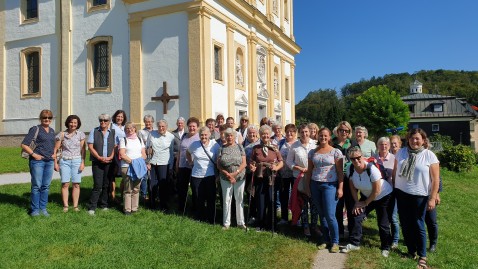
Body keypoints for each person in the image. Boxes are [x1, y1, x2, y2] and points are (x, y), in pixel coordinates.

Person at [393, 128, 440, 269]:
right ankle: (411, 251)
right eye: (412, 138)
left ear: (423, 141)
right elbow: (395, 172)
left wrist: (432, 198)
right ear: (408, 140)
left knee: (418, 225)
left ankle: (422, 256)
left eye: (417, 138)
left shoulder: (429, 156)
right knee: (405, 223)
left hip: (420, 195)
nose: (414, 141)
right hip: (402, 193)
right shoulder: (401, 152)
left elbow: (436, 179)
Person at [342, 147, 394, 257]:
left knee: (383, 223)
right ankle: (355, 243)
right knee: (357, 215)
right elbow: (352, 187)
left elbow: (377, 190)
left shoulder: (372, 169)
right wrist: (357, 202)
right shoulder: (350, 169)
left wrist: (365, 203)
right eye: (353, 159)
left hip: (384, 196)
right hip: (367, 196)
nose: (356, 161)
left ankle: (386, 247)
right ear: (350, 159)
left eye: (358, 158)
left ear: (362, 156)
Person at [305, 127, 344, 253]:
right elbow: (309, 171)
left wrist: (340, 188)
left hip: (330, 185)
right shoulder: (312, 152)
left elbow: (340, 172)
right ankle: (325, 239)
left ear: (329, 137)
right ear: (317, 136)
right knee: (322, 214)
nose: (323, 137)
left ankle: (335, 241)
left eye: (325, 135)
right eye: (321, 135)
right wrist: (307, 186)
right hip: (315, 185)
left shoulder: (336, 152)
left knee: (330, 215)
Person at [21, 109, 56, 217]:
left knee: (46, 186)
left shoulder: (52, 131)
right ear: (40, 118)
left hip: (49, 161)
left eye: (49, 118)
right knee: (36, 186)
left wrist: (54, 155)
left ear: (51, 119)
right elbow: (24, 144)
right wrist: (34, 154)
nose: (47, 119)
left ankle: (43, 208)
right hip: (37, 162)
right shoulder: (35, 129)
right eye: (44, 117)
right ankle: (35, 210)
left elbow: (52, 145)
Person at [249, 125, 284, 231]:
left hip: (272, 177)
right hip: (260, 177)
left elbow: (281, 162)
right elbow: (251, 161)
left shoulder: (275, 148)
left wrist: (276, 167)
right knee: (261, 201)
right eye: (263, 134)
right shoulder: (256, 148)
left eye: (267, 134)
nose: (265, 135)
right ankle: (261, 223)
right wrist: (252, 166)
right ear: (260, 135)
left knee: (271, 200)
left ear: (270, 135)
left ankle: (272, 224)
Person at [286, 124, 318, 236]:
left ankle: (314, 226)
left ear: (309, 132)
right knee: (303, 203)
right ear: (299, 133)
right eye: (302, 132)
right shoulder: (295, 146)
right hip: (300, 177)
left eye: (306, 131)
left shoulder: (315, 144)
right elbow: (289, 162)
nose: (304, 134)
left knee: (314, 203)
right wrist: (298, 167)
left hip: (314, 177)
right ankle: (305, 226)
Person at [186, 127, 220, 223]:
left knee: (210, 197)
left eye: (205, 135)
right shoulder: (195, 144)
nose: (203, 137)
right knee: (198, 197)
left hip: (210, 175)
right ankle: (200, 216)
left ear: (209, 135)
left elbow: (218, 158)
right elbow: (188, 152)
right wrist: (190, 162)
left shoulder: (215, 145)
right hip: (196, 175)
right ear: (199, 135)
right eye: (202, 135)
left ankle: (211, 218)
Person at [53, 115, 86, 213]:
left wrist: (83, 163)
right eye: (71, 122)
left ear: (78, 124)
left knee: (76, 184)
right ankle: (66, 206)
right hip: (64, 161)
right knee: (65, 184)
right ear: (68, 123)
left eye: (75, 123)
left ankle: (75, 206)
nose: (73, 124)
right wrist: (55, 163)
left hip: (77, 161)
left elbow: (83, 150)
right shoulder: (61, 134)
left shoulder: (81, 134)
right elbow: (55, 150)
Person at [217, 128, 247, 229]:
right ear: (225, 137)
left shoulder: (240, 147)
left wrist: (234, 174)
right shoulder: (221, 148)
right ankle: (226, 223)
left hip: (239, 177)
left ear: (235, 136)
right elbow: (218, 165)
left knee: (239, 199)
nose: (229, 137)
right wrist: (227, 174)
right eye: (227, 135)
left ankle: (240, 222)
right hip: (225, 178)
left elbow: (244, 163)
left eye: (231, 135)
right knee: (226, 200)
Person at [87, 114, 115, 215]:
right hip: (97, 162)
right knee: (97, 185)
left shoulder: (112, 132)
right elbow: (90, 146)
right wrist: (98, 157)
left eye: (105, 120)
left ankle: (104, 204)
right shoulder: (94, 131)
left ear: (109, 122)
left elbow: (115, 147)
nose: (103, 122)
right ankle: (92, 207)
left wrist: (111, 156)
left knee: (106, 184)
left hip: (109, 162)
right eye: (101, 120)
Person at [374, 136, 399, 248]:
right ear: (378, 146)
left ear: (389, 146)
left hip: (392, 192)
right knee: (383, 217)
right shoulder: (373, 158)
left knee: (393, 217)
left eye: (386, 145)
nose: (383, 146)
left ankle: (395, 239)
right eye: (381, 144)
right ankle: (386, 238)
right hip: (378, 193)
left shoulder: (394, 158)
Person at [119, 122, 147, 215]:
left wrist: (138, 162)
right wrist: (133, 162)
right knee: (128, 189)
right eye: (127, 128)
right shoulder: (123, 140)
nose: (129, 130)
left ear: (135, 129)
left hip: (138, 167)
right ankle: (127, 209)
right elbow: (122, 154)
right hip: (127, 166)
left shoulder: (139, 139)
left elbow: (143, 154)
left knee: (136, 188)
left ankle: (134, 208)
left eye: (131, 128)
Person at [332, 121, 354, 239]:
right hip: (336, 178)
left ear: (349, 132)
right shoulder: (333, 144)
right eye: (342, 130)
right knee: (338, 206)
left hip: (350, 178)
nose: (344, 132)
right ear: (338, 131)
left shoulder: (353, 143)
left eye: (347, 130)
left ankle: (351, 231)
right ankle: (339, 231)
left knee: (351, 205)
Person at [147, 119, 175, 211]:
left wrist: (170, 166)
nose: (161, 128)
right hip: (153, 163)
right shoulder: (151, 134)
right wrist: (148, 162)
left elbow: (171, 152)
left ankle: (163, 205)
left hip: (164, 163)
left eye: (163, 126)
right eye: (159, 126)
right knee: (152, 183)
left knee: (163, 185)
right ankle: (152, 204)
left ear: (166, 127)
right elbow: (148, 149)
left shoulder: (171, 137)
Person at [176, 117, 200, 214]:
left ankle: (195, 207)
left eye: (194, 126)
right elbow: (180, 151)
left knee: (194, 188)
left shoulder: (199, 137)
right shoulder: (184, 136)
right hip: (183, 166)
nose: (192, 128)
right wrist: (177, 164)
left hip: (194, 166)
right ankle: (182, 207)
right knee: (182, 187)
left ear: (197, 127)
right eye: (190, 126)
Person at [276, 124, 297, 225]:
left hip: (295, 174)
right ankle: (284, 218)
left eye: (292, 131)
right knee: (283, 196)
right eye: (287, 131)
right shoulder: (281, 143)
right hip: (283, 174)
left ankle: (296, 218)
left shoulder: (298, 144)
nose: (289, 133)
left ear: (295, 133)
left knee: (295, 197)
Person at [243, 125, 260, 225]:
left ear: (257, 133)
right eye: (250, 133)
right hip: (248, 173)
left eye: (254, 133)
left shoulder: (260, 142)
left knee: (258, 194)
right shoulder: (244, 143)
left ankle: (260, 214)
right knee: (250, 193)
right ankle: (252, 215)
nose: (252, 134)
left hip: (259, 173)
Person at [109, 110, 127, 202]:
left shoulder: (125, 127)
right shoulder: (112, 126)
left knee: (124, 173)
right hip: (115, 151)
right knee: (113, 174)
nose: (120, 118)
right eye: (118, 116)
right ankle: (112, 196)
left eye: (122, 117)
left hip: (124, 152)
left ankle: (123, 195)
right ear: (115, 117)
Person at [139, 114, 154, 202]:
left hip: (154, 157)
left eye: (149, 122)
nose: (148, 123)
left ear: (152, 122)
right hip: (144, 157)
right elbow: (140, 145)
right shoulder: (141, 132)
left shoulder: (155, 131)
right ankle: (143, 195)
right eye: (146, 121)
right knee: (144, 177)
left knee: (152, 177)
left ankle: (152, 194)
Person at [172, 117, 187, 193]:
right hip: (175, 157)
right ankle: (175, 190)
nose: (180, 124)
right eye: (179, 123)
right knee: (175, 175)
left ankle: (184, 190)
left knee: (184, 176)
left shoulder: (187, 133)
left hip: (185, 158)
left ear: (184, 124)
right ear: (177, 124)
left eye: (181, 123)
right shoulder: (173, 133)